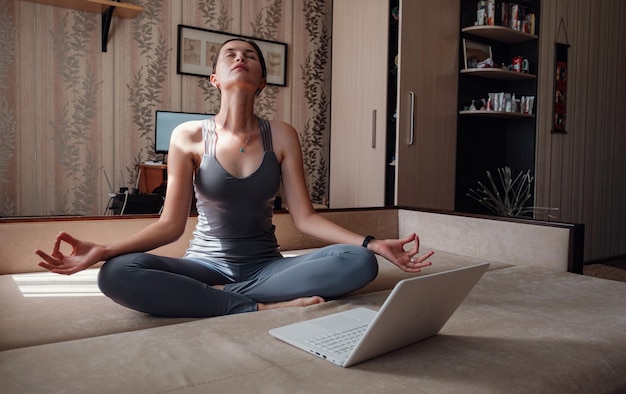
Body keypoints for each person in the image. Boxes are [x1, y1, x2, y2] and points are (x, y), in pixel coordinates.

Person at [35, 39, 433, 318]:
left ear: (262, 81)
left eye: (250, 56)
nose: (240, 57)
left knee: (359, 262)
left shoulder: (281, 134)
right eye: (230, 54)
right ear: (214, 78)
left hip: (266, 266)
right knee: (117, 273)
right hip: (206, 263)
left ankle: (209, 300)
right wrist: (104, 250)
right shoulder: (187, 136)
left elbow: (305, 219)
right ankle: (254, 306)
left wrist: (374, 243)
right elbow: (170, 226)